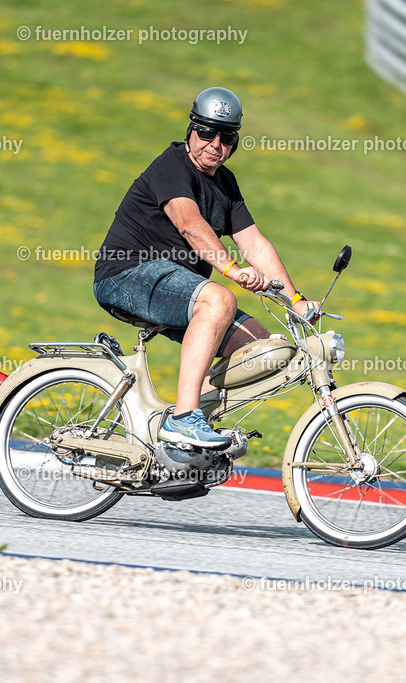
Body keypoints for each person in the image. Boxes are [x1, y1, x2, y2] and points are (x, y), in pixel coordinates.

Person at [93, 86, 317, 448]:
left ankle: (181, 442)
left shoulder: (225, 183)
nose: (215, 143)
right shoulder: (171, 167)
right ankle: (184, 418)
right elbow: (190, 225)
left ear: (235, 143)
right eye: (207, 132)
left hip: (174, 285)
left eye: (226, 136)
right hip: (126, 275)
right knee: (219, 299)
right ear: (191, 131)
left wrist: (295, 298)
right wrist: (232, 270)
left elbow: (254, 243)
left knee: (263, 350)